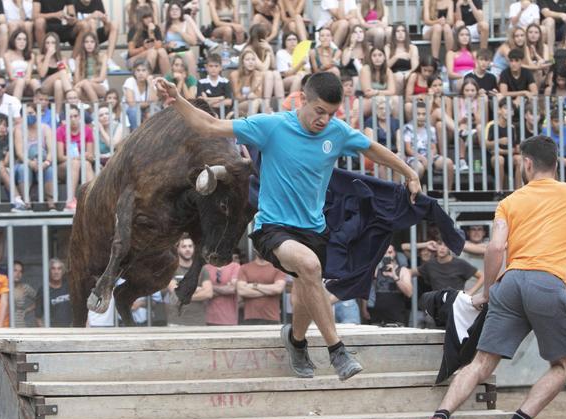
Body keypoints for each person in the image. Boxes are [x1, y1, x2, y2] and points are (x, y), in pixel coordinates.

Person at [157, 71, 420, 380]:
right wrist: (179, 102)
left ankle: (295, 340)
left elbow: (370, 147)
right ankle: (338, 351)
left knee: (304, 293)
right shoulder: (272, 126)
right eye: (318, 111)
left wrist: (409, 173)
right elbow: (211, 125)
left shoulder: (336, 132)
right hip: (272, 227)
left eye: (331, 113)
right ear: (302, 99)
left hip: (314, 229)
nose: (324, 119)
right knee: (309, 267)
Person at [407, 134, 566, 419]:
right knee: (564, 365)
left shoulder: (510, 201)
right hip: (548, 283)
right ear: (556, 164)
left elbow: (496, 248)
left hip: (510, 282)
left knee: (482, 363)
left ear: (527, 163)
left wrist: (489, 291)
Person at [56, 105, 95, 210]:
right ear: (65, 118)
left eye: (75, 116)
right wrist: (78, 157)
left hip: (83, 165)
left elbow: (90, 157)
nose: (73, 119)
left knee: (86, 164)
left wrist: (87, 156)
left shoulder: (87, 130)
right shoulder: (60, 131)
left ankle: (93, 199)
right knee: (75, 163)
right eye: (70, 116)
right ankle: (70, 200)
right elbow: (60, 157)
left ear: (79, 117)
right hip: (64, 167)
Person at [167, 236, 212, 326]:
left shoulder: (202, 269)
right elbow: (176, 293)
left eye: (190, 246)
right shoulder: (171, 269)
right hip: (176, 322)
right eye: (184, 246)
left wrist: (184, 294)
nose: (187, 249)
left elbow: (208, 293)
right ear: (177, 249)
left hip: (198, 321)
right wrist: (198, 289)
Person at [416, 236, 483, 294]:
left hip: (457, 303)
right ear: (435, 246)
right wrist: (405, 272)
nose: (442, 248)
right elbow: (411, 272)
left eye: (446, 245)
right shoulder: (430, 264)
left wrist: (470, 292)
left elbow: (482, 276)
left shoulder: (459, 263)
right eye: (440, 244)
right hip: (438, 304)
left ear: (450, 247)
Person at [365, 244, 412, 325]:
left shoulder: (403, 270)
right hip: (377, 316)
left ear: (395, 253)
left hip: (396, 316)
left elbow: (409, 293)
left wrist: (394, 276)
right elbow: (367, 289)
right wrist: (364, 309)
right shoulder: (376, 270)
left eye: (390, 252)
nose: (387, 255)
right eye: (384, 253)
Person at [237, 251, 286, 324]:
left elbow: (278, 289)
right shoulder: (244, 268)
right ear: (254, 249)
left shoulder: (278, 268)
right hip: (250, 318)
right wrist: (269, 292)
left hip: (272, 318)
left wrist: (254, 285)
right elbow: (242, 291)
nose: (261, 249)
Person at [204, 258, 241, 326]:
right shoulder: (205, 268)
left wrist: (211, 287)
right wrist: (225, 288)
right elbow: (204, 292)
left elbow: (233, 289)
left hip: (229, 319)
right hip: (209, 319)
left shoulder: (235, 266)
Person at [35, 258, 72, 327]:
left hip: (70, 330)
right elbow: (38, 317)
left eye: (59, 269)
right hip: (52, 331)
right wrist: (46, 333)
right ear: (49, 271)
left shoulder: (69, 287)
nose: (56, 272)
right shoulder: (43, 290)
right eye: (53, 269)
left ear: (63, 271)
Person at [123, 60, 159, 130]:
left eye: (144, 70)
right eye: (138, 70)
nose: (140, 73)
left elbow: (154, 102)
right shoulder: (130, 81)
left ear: (149, 72)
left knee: (153, 111)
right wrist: (148, 103)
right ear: (134, 72)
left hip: (146, 110)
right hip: (130, 111)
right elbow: (132, 104)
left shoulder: (151, 82)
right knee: (134, 111)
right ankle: (135, 134)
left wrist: (151, 86)